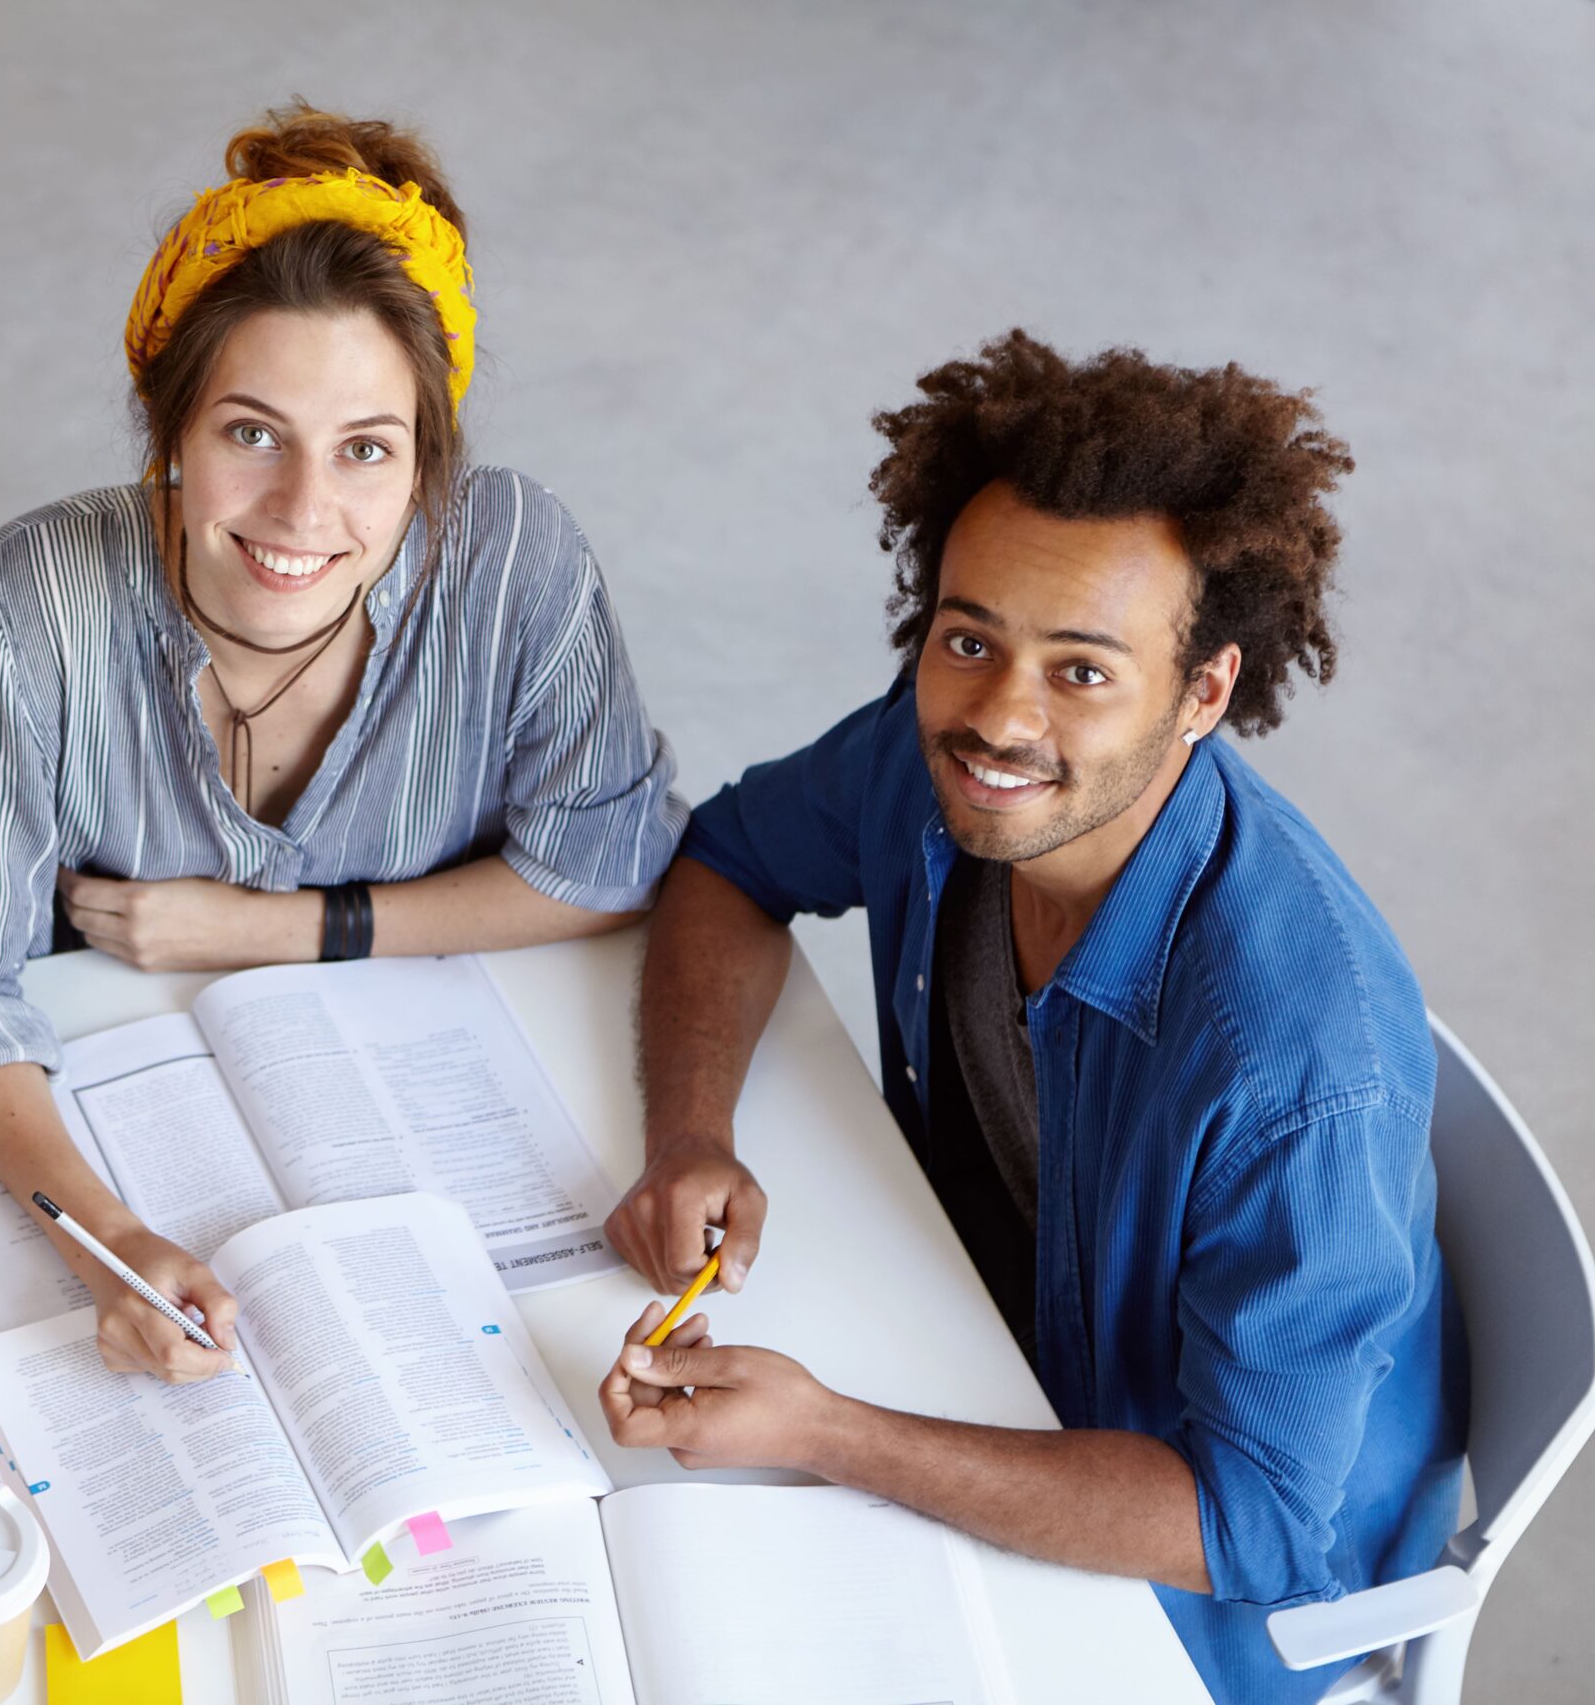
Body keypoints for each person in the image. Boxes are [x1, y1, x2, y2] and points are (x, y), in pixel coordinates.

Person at [599, 331, 1462, 1703]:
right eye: (968, 637)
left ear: (1205, 689)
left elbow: (1245, 1524)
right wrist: (689, 1130)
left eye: (1081, 668)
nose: (999, 715)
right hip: (965, 1346)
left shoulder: (1307, 1069)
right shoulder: (938, 750)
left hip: (1191, 1598)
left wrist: (833, 1432)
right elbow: (732, 858)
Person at [0, 104, 683, 1384]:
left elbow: (606, 865)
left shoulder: (516, 557)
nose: (306, 513)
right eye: (252, 434)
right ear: (170, 440)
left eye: (367, 450)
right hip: (123, 1103)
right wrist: (111, 1245)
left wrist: (269, 927)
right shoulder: (22, 606)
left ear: (425, 464)